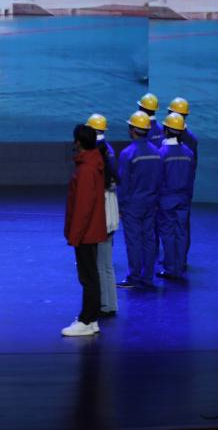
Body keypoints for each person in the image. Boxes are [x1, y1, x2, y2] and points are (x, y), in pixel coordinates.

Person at [62, 124, 108, 336]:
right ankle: (91, 318)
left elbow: (83, 207)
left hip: (86, 233)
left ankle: (87, 320)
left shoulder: (86, 169)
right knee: (90, 275)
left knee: (88, 277)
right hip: (90, 231)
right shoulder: (91, 163)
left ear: (78, 142)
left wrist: (75, 235)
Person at [116, 111, 162, 289]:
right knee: (149, 240)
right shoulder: (157, 152)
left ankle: (134, 277)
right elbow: (159, 179)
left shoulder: (128, 153)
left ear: (133, 130)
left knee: (134, 241)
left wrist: (120, 206)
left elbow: (123, 183)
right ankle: (148, 277)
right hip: (151, 202)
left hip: (132, 205)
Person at [156, 112, 196, 280]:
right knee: (181, 232)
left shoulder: (161, 153)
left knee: (168, 234)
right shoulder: (188, 153)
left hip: (166, 199)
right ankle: (179, 266)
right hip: (183, 198)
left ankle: (170, 268)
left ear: (165, 130)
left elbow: (158, 178)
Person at [86, 114, 119, 317]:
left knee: (99, 265)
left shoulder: (93, 153)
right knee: (106, 264)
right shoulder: (109, 150)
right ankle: (110, 303)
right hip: (111, 213)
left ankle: (103, 304)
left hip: (100, 215)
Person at [168, 97, 198, 266]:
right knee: (183, 226)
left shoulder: (169, 139)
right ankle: (180, 259)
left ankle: (173, 260)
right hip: (185, 189)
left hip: (169, 191)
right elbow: (193, 166)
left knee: (170, 227)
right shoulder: (191, 138)